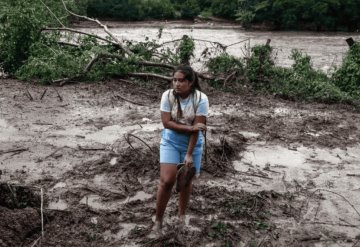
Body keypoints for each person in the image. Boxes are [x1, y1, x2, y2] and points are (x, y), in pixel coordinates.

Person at [153, 65, 209, 232]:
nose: (177, 84)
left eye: (181, 80)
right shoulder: (167, 96)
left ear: (190, 83)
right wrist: (189, 128)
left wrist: (189, 154)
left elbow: (197, 130)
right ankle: (158, 220)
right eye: (174, 80)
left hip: (193, 143)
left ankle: (181, 217)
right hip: (170, 141)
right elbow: (166, 123)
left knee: (185, 181)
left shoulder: (200, 99)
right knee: (167, 180)